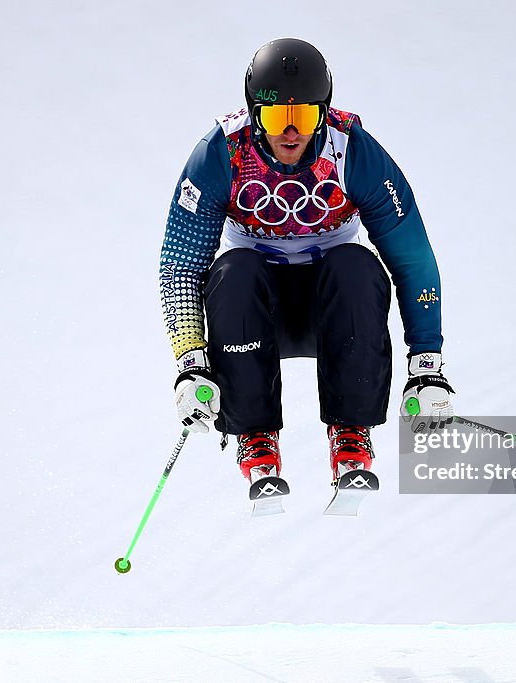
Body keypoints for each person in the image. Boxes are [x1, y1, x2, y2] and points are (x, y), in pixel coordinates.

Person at [159, 38, 454, 493]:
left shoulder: (352, 150)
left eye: (306, 117)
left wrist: (427, 366)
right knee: (234, 269)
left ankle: (351, 434)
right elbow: (181, 263)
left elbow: (412, 258)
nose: (291, 133)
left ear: (324, 112)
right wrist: (190, 363)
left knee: (356, 263)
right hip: (255, 315)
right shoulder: (221, 152)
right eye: (278, 118)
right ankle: (256, 438)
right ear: (256, 114)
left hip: (335, 312)